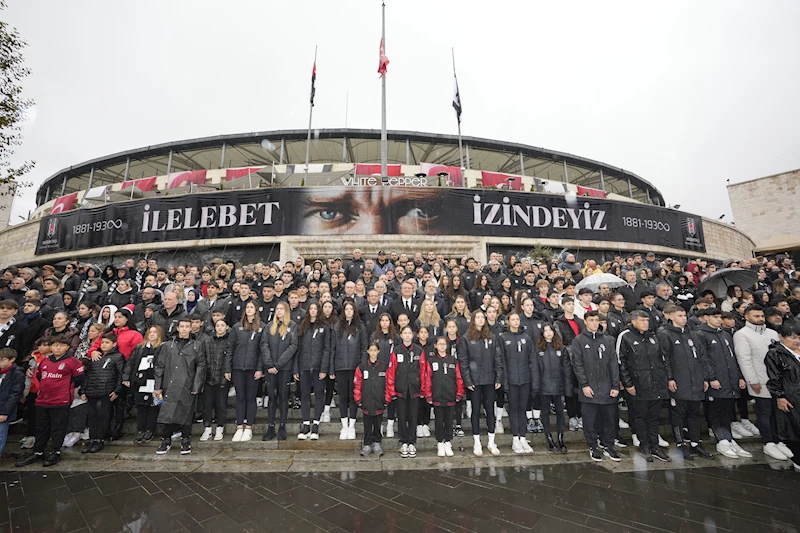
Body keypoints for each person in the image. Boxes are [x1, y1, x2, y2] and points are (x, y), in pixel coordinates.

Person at [16, 335, 86, 467]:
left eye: (61, 345)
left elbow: (79, 379)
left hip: (61, 401)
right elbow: (39, 376)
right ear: (51, 347)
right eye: (55, 345)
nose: (57, 348)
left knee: (58, 428)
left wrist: (65, 388)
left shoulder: (73, 361)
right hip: (42, 400)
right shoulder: (45, 361)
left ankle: (55, 452)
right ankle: (38, 452)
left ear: (66, 347)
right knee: (41, 428)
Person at [658, 307, 715, 461]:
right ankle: (680, 443)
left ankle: (696, 443)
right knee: (678, 414)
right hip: (679, 381)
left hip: (696, 381)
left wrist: (705, 378)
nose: (684, 318)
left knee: (695, 413)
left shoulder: (694, 334)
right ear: (670, 317)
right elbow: (665, 359)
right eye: (680, 315)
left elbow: (703, 358)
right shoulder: (665, 334)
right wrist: (669, 378)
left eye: (684, 315)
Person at [697, 309, 751, 459]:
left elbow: (733, 358)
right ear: (706, 317)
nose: (719, 320)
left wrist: (739, 376)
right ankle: (722, 440)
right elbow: (703, 359)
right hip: (716, 380)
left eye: (720, 317)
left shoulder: (725, 334)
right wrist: (711, 378)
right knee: (715, 410)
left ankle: (729, 439)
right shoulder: (701, 334)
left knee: (727, 411)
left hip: (730, 380)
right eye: (715, 317)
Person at [618, 310, 670, 462]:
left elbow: (662, 359)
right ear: (633, 321)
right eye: (642, 320)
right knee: (640, 417)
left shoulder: (653, 336)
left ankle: (655, 446)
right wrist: (628, 384)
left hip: (656, 383)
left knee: (654, 417)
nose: (645, 323)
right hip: (639, 384)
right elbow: (621, 362)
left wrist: (664, 379)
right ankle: (644, 445)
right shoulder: (626, 336)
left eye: (647, 320)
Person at [734, 305, 783, 457]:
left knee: (777, 412)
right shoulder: (742, 334)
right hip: (760, 379)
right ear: (747, 317)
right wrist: (752, 380)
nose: (760, 319)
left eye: (762, 316)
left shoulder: (772, 333)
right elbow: (744, 359)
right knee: (764, 412)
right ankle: (768, 442)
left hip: (778, 380)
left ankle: (778, 440)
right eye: (756, 316)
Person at [154, 318, 206, 455]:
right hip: (169, 384)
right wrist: (157, 385)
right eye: (181, 326)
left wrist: (196, 386)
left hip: (187, 384)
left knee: (186, 413)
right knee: (167, 412)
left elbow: (201, 366)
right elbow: (159, 366)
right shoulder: (168, 345)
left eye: (187, 326)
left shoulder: (197, 345)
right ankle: (166, 440)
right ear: (177, 328)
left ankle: (185, 440)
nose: (184, 329)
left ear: (191, 328)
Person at [459, 310, 503, 457]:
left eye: (482, 318)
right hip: (475, 382)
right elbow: (463, 361)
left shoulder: (492, 337)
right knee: (475, 412)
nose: (480, 320)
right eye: (477, 317)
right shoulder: (466, 338)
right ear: (473, 320)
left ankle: (491, 441)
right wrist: (468, 380)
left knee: (490, 411)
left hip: (490, 380)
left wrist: (498, 378)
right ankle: (476, 442)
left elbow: (498, 358)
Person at [326, 300, 368, 441]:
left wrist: (362, 367)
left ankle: (352, 426)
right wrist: (331, 368)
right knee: (343, 397)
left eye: (351, 309)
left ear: (354, 311)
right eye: (346, 309)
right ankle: (344, 425)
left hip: (355, 367)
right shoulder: (337, 326)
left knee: (353, 397)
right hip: (340, 366)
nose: (349, 311)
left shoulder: (360, 327)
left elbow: (364, 348)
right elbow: (332, 348)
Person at [225, 301, 266, 442]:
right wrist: (227, 368)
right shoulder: (237, 327)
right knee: (240, 397)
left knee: (250, 397)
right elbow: (230, 348)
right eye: (247, 307)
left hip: (253, 369)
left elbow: (263, 351)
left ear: (256, 310)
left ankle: (249, 428)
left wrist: (260, 368)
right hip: (237, 368)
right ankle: (239, 427)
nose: (249, 309)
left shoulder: (262, 327)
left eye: (251, 307)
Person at [498, 312, 538, 454]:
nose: (515, 322)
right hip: (511, 380)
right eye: (513, 319)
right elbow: (501, 361)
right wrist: (505, 381)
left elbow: (532, 359)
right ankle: (515, 438)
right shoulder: (503, 338)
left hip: (525, 379)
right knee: (514, 408)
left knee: (523, 408)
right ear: (508, 321)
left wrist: (534, 380)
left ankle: (523, 437)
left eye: (517, 319)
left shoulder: (526, 337)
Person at [79, 332, 124, 454]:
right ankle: (92, 439)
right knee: (92, 416)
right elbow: (87, 375)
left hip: (107, 391)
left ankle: (100, 439)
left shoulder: (118, 357)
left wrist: (117, 390)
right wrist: (83, 390)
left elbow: (120, 375)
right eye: (102, 342)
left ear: (114, 344)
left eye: (107, 342)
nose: (104, 345)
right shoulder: (95, 356)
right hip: (92, 390)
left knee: (103, 416)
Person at [260, 301, 298, 441]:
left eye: (282, 309)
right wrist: (270, 364)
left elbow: (293, 346)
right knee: (271, 397)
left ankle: (282, 426)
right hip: (270, 369)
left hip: (284, 368)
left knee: (283, 397)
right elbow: (264, 344)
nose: (279, 311)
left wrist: (279, 364)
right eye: (277, 309)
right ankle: (270, 427)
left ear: (286, 311)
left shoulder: (292, 326)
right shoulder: (270, 326)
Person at [422, 335, 465, 457]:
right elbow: (427, 379)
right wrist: (428, 394)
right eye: (439, 344)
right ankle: (440, 442)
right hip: (437, 396)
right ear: (435, 346)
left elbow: (459, 378)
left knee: (449, 420)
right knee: (439, 420)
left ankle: (448, 441)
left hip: (450, 395)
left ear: (447, 346)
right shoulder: (431, 361)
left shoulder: (453, 361)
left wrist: (459, 392)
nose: (442, 346)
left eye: (444, 344)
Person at [386, 325, 426, 458]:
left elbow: (423, 371)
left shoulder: (419, 351)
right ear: (401, 335)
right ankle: (403, 441)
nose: (407, 335)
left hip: (414, 389)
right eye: (405, 333)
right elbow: (391, 372)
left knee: (413, 416)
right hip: (400, 389)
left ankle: (412, 442)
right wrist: (391, 390)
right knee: (402, 416)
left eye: (410, 333)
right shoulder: (396, 351)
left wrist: (423, 388)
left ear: (413, 335)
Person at [765, 321, 800, 470]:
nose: (797, 341)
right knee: (794, 428)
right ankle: (797, 459)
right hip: (790, 395)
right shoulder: (775, 354)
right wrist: (780, 395)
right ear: (781, 336)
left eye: (799, 337)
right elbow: (774, 377)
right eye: (792, 337)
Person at [123, 325, 164, 444]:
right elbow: (131, 363)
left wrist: (160, 385)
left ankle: (150, 430)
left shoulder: (163, 348)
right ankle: (141, 430)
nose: (151, 334)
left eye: (155, 332)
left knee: (154, 406)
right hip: (140, 382)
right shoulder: (139, 348)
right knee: (140, 406)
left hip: (156, 383)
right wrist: (126, 377)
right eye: (150, 332)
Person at [536, 322, 571, 453]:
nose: (548, 333)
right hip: (544, 386)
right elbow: (536, 369)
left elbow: (567, 369)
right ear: (542, 334)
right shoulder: (538, 349)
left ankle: (561, 438)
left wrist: (567, 387)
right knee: (545, 412)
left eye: (550, 330)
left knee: (560, 413)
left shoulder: (561, 349)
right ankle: (549, 438)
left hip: (559, 386)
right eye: (545, 331)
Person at [354, 341, 393, 456]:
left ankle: (377, 442)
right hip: (366, 401)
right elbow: (357, 384)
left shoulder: (384, 366)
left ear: (378, 351)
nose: (373, 352)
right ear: (367, 351)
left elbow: (389, 383)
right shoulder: (362, 367)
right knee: (367, 424)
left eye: (375, 350)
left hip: (379, 401)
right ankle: (367, 444)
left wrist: (386, 399)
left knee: (377, 423)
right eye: (371, 350)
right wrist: (358, 399)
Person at [199, 320, 229, 442]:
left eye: (222, 325)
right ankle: (207, 428)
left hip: (222, 378)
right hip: (208, 378)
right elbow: (203, 360)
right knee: (207, 405)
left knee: (221, 405)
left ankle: (220, 428)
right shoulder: (207, 341)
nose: (220, 328)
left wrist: (224, 379)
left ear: (226, 327)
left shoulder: (229, 342)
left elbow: (228, 360)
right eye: (218, 326)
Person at [0, 348, 25, 458]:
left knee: (1, 434)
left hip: (4, 409)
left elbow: (15, 394)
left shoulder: (17, 373)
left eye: (2, 360)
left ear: (12, 359)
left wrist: (5, 412)